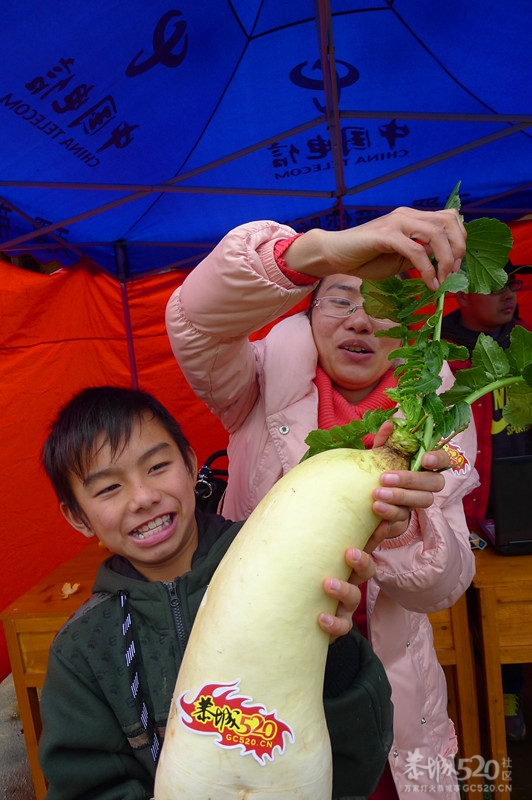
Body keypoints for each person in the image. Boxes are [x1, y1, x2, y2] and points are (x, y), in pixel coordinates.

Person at [166, 208, 479, 798]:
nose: (361, 319)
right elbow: (193, 320)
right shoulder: (253, 388)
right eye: (340, 299)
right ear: (308, 317)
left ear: (411, 332)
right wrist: (311, 254)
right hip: (257, 684)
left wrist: (402, 532)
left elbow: (446, 584)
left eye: (384, 304)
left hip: (386, 687)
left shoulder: (438, 427)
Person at [38, 385, 399, 800]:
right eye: (108, 489)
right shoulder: (83, 651)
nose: (144, 497)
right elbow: (85, 787)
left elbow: (362, 757)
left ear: (191, 464)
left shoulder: (283, 561)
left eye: (157, 466)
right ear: (77, 516)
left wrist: (333, 651)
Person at [441, 262, 532, 742]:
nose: (509, 295)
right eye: (494, 287)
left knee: (515, 609)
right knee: (462, 611)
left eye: (513, 285)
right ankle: (471, 705)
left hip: (520, 505)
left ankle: (510, 690)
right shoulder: (441, 352)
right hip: (464, 505)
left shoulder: (525, 342)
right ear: (460, 296)